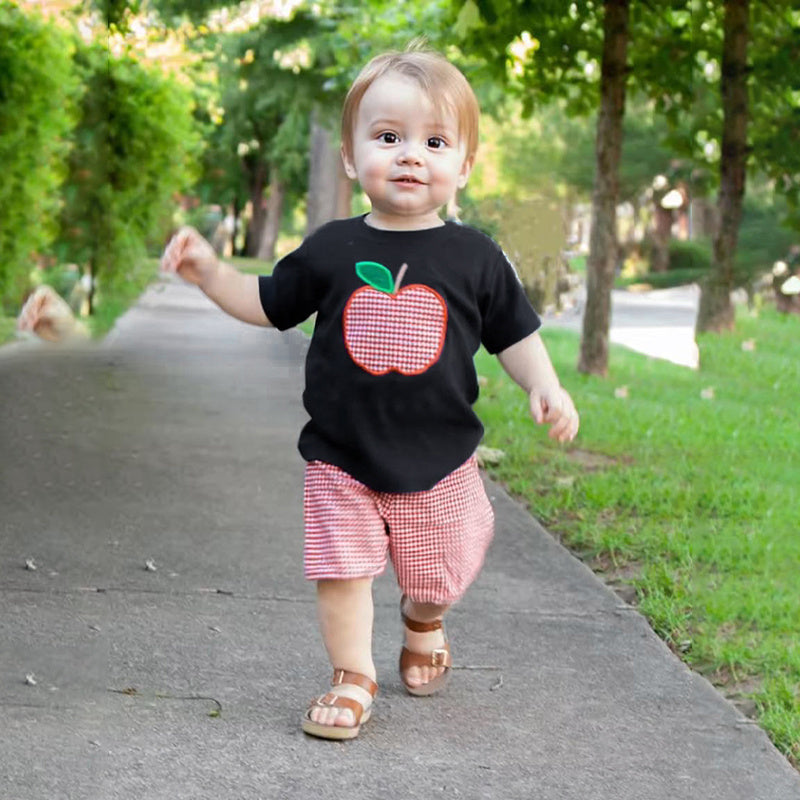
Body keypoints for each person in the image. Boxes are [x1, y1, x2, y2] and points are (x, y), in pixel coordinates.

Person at [160, 48, 579, 740]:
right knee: (342, 571)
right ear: (352, 158)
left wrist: (546, 385)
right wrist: (210, 274)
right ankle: (352, 676)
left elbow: (515, 334)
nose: (411, 155)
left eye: (435, 142)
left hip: (440, 460)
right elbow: (267, 302)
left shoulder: (476, 257)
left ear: (464, 165)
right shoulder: (331, 248)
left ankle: (423, 619)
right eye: (388, 137)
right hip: (341, 457)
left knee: (440, 576)